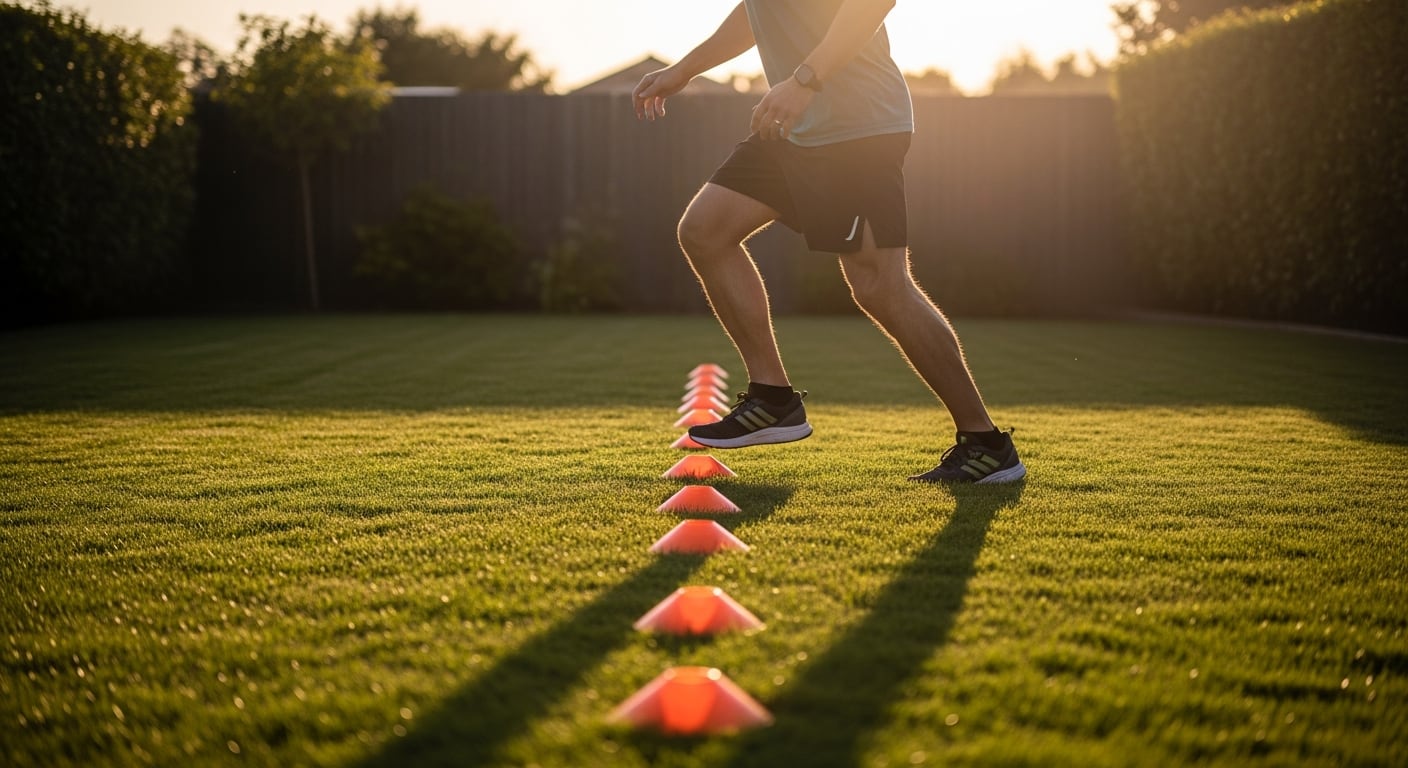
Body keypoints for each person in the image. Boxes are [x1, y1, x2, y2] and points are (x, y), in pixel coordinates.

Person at [632, 0, 1025, 484]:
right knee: (705, 230)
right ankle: (772, 398)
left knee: (880, 285)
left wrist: (803, 81)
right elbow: (758, 11)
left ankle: (986, 445)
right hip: (794, 130)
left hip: (855, 127)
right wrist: (684, 69)